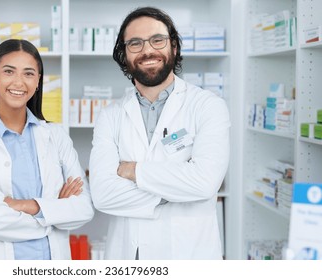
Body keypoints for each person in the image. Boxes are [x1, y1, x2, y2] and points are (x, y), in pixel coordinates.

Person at [89, 7, 230, 259]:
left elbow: (204, 183)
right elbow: (102, 195)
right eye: (135, 43)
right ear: (124, 54)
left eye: (157, 40)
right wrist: (173, 193)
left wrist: (133, 171)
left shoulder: (208, 106)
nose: (147, 50)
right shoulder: (110, 115)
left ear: (173, 47)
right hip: (129, 256)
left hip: (188, 255)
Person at [0, 39, 94, 260]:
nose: (18, 82)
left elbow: (84, 208)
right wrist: (53, 214)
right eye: (9, 71)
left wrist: (27, 205)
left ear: (38, 80)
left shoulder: (55, 136)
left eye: (29, 74)